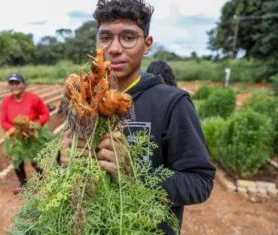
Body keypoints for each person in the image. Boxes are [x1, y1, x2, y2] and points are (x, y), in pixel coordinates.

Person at [60, 0, 216, 234]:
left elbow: (200, 183)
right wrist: (61, 158)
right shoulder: (85, 100)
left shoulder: (172, 104)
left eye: (128, 37)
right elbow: (64, 163)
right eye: (105, 38)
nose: (114, 48)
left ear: (147, 44)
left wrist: (135, 175)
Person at [0, 72, 50, 195]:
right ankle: (24, 186)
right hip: (15, 137)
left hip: (31, 135)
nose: (14, 86)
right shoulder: (6, 102)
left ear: (23, 84)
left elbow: (45, 114)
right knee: (17, 161)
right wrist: (17, 131)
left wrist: (35, 126)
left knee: (35, 160)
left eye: (17, 83)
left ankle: (43, 182)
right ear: (9, 86)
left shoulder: (34, 98)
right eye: (11, 83)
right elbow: (3, 122)